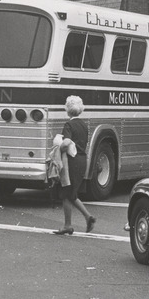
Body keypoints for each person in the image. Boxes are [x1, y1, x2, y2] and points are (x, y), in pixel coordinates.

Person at [52, 95, 96, 235]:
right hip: (82, 160)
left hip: (72, 161)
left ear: (67, 109)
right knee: (71, 193)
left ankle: (68, 225)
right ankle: (88, 217)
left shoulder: (69, 125)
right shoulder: (84, 125)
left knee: (66, 193)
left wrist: (58, 149)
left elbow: (66, 143)